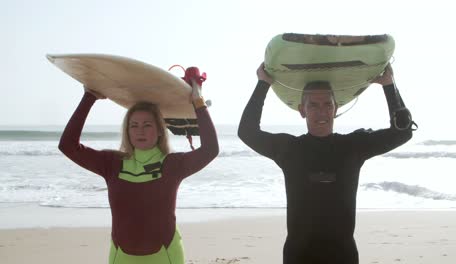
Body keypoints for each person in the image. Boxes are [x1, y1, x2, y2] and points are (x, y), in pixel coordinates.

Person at [238, 63, 415, 264]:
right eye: (313, 105)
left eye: (327, 105)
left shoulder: (353, 146)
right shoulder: (289, 149)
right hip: (299, 255)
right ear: (301, 110)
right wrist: (263, 84)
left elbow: (403, 132)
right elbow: (246, 131)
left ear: (336, 108)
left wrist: (389, 85)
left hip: (343, 255)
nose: (321, 112)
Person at [59, 78, 218, 264]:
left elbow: (210, 149)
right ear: (127, 131)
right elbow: (68, 146)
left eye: (147, 125)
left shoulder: (171, 165)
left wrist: (198, 101)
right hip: (121, 257)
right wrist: (89, 97)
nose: (140, 131)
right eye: (134, 126)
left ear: (160, 130)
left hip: (165, 256)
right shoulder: (112, 163)